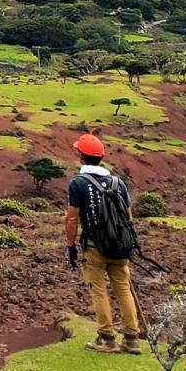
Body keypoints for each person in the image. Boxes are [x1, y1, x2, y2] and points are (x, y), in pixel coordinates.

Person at [64, 132, 143, 353]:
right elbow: (128, 217)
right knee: (123, 290)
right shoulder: (118, 182)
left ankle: (106, 338)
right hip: (120, 247)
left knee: (98, 290)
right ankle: (131, 339)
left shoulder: (78, 184)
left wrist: (70, 245)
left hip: (95, 246)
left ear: (80, 156)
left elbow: (71, 218)